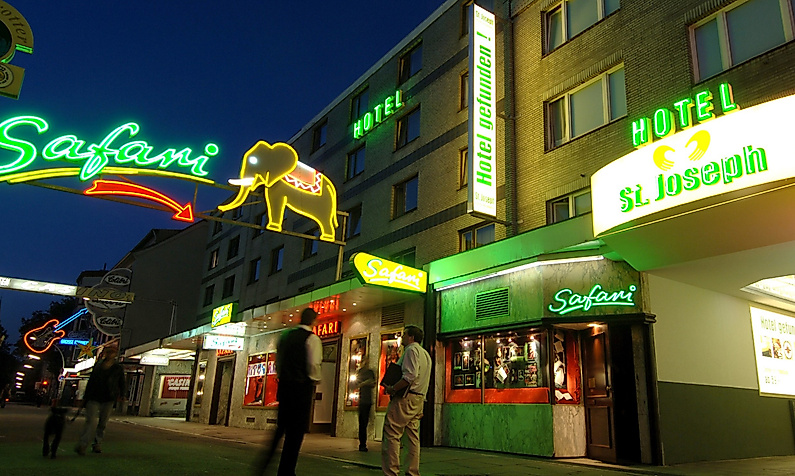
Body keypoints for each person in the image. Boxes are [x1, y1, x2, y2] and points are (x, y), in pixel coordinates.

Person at [254, 308, 322, 476]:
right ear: (313, 321)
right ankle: (286, 471)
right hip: (301, 388)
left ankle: (263, 466)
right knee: (296, 433)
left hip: (285, 388)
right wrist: (315, 379)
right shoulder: (312, 339)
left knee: (281, 428)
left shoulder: (285, 336)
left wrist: (282, 376)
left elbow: (278, 361)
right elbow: (313, 365)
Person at [382, 325, 432, 476]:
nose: (402, 337)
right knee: (412, 437)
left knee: (392, 432)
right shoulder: (425, 354)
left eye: (404, 334)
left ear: (411, 337)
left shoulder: (411, 350)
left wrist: (393, 388)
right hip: (419, 398)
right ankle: (412, 471)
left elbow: (410, 376)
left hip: (405, 397)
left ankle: (391, 471)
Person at [74, 346, 126, 455]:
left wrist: (122, 394)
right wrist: (85, 397)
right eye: (108, 352)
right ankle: (83, 444)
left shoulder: (118, 368)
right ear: (105, 353)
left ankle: (97, 443)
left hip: (108, 398)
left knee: (102, 423)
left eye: (112, 352)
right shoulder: (98, 365)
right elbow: (91, 381)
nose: (110, 354)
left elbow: (122, 382)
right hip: (94, 396)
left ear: (115, 354)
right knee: (90, 421)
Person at [352, 356, 375, 452]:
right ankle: (362, 444)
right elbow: (356, 385)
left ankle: (363, 443)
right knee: (362, 423)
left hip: (368, 400)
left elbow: (373, 383)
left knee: (365, 422)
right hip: (362, 400)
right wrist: (366, 383)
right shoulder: (360, 372)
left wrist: (367, 383)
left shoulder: (370, 372)